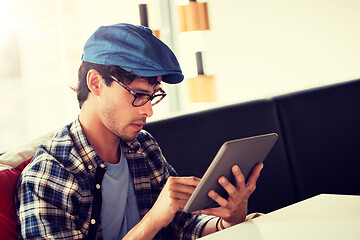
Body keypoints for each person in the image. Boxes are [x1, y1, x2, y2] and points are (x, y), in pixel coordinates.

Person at [15, 23, 263, 239]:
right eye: (138, 96)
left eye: (152, 97)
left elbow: (183, 227)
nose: (148, 111)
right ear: (95, 83)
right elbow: (159, 219)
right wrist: (152, 221)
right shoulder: (49, 176)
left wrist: (229, 220)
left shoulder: (143, 147)